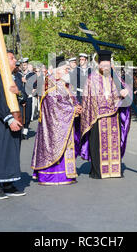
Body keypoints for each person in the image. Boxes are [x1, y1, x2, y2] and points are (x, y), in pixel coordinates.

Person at [80, 50, 131, 179]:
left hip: (113, 116)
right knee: (97, 145)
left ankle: (114, 170)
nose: (105, 68)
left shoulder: (116, 77)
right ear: (99, 65)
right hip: (97, 117)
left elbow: (125, 90)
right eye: (103, 66)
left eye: (108, 66)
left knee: (113, 143)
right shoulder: (92, 78)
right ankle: (99, 171)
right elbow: (87, 99)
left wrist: (125, 93)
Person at [32, 56, 82, 185]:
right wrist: (72, 110)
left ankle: (67, 174)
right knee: (55, 147)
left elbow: (70, 99)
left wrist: (77, 106)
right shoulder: (50, 84)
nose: (67, 71)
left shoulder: (64, 84)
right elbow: (53, 106)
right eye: (65, 69)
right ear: (56, 70)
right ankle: (54, 176)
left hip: (65, 122)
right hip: (54, 125)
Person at [0, 50, 26, 199]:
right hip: (0, 123)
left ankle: (9, 183)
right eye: (11, 58)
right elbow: (0, 103)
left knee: (11, 152)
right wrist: (10, 119)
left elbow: (24, 98)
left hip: (16, 121)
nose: (15, 61)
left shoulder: (17, 79)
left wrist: (19, 92)